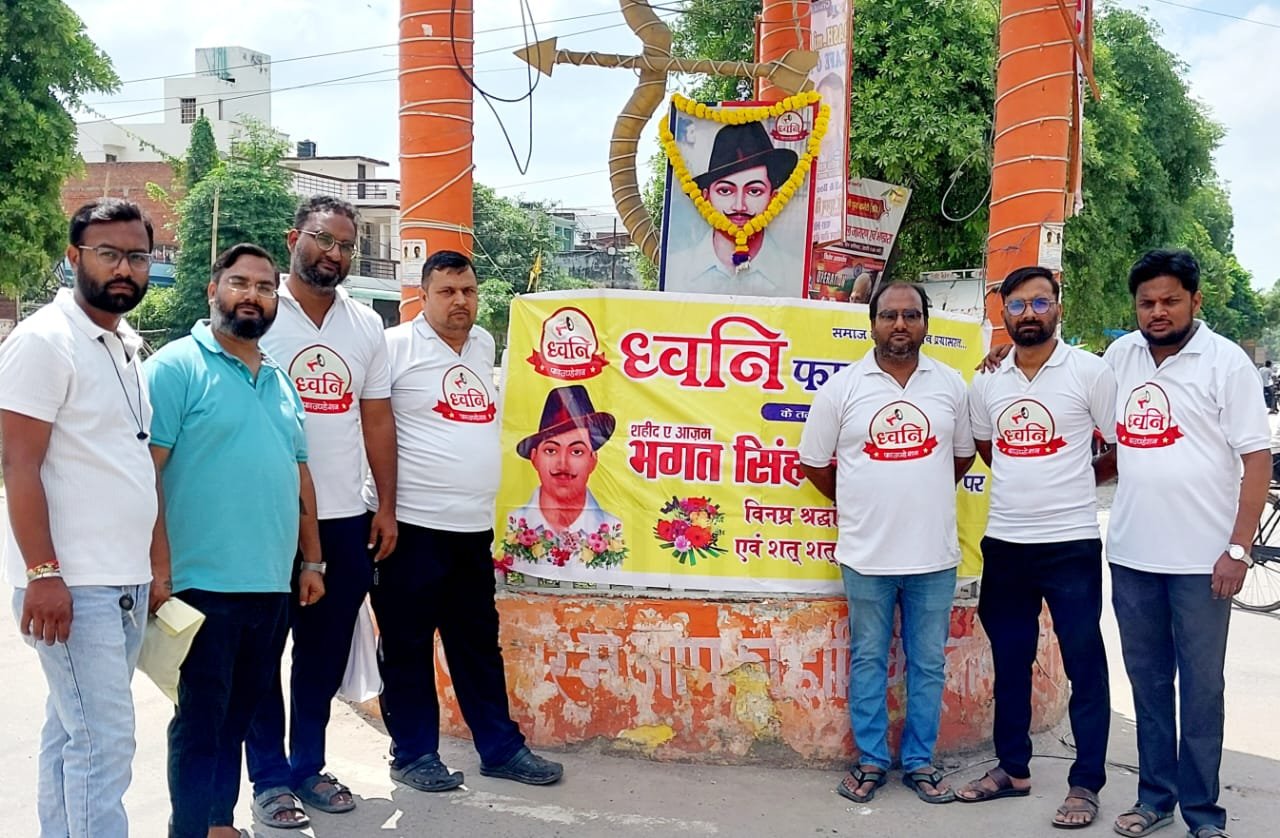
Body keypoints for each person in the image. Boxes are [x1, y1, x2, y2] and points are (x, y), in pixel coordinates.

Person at [364, 249, 563, 793]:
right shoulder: (393, 347)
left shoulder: (481, 345)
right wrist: (381, 508)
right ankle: (413, 755)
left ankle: (500, 749)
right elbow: (370, 426)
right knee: (406, 645)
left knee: (477, 643)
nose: (460, 302)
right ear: (422, 296)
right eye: (447, 291)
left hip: (471, 529)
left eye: (468, 291)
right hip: (409, 527)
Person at [146, 244, 325, 838]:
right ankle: (192, 829)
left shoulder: (279, 379)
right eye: (240, 282)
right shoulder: (175, 368)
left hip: (270, 583)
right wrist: (158, 567)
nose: (253, 295)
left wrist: (313, 560)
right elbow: (147, 474)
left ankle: (218, 823)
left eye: (265, 287)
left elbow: (298, 474)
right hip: (200, 583)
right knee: (200, 722)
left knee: (239, 715)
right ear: (212, 290)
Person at [0, 198, 161, 837]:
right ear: (74, 258)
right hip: (72, 582)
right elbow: (19, 464)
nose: (124, 268)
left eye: (137, 256)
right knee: (104, 740)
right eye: (108, 254)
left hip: (122, 579)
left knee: (72, 733)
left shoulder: (125, 343)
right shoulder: (45, 340)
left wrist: (152, 568)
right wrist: (43, 573)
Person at [243, 196, 398, 825]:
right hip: (263, 518)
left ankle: (307, 765)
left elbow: (377, 419)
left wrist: (385, 506)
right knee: (260, 654)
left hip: (343, 518)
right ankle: (269, 779)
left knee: (322, 653)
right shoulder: (258, 313)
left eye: (345, 245)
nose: (333, 253)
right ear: (293, 239)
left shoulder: (365, 324)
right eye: (322, 239)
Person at [1105, 250, 1269, 838]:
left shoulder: (1225, 363)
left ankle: (1203, 813)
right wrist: (1007, 356)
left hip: (1204, 563)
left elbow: (1256, 460)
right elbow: (1077, 399)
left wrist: (1239, 549)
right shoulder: (1120, 357)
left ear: (1195, 301)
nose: (1158, 311)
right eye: (1146, 302)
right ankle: (1154, 799)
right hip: (1131, 556)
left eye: (1170, 300)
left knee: (1202, 690)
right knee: (1149, 687)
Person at [798, 281, 975, 805]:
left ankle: (920, 762)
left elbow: (962, 456)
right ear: (872, 323)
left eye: (911, 315)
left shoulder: (951, 385)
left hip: (933, 556)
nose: (901, 324)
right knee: (869, 660)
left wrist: (920, 491)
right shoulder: (843, 388)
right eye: (890, 315)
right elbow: (813, 462)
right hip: (866, 555)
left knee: (928, 664)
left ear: (926, 323)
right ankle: (871, 760)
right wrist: (859, 499)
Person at [956, 267, 1117, 829]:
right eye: (1019, 304)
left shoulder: (1090, 372)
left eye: (1040, 303)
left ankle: (1086, 782)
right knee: (1010, 660)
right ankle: (1012, 769)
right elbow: (987, 446)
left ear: (1058, 308)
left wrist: (1077, 480)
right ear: (1003, 313)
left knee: (1083, 662)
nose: (1029, 313)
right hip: (1006, 543)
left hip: (1070, 543)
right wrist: (1029, 475)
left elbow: (1121, 445)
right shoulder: (988, 380)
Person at [662, 121, 802, 297]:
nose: (739, 206)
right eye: (725, 191)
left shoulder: (795, 274)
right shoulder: (676, 270)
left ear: (773, 199)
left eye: (754, 191)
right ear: (706, 197)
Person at [510, 384, 622, 536]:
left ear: (593, 460)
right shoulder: (510, 524)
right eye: (551, 450)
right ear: (534, 457)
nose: (563, 464)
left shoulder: (615, 532)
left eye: (576, 451)